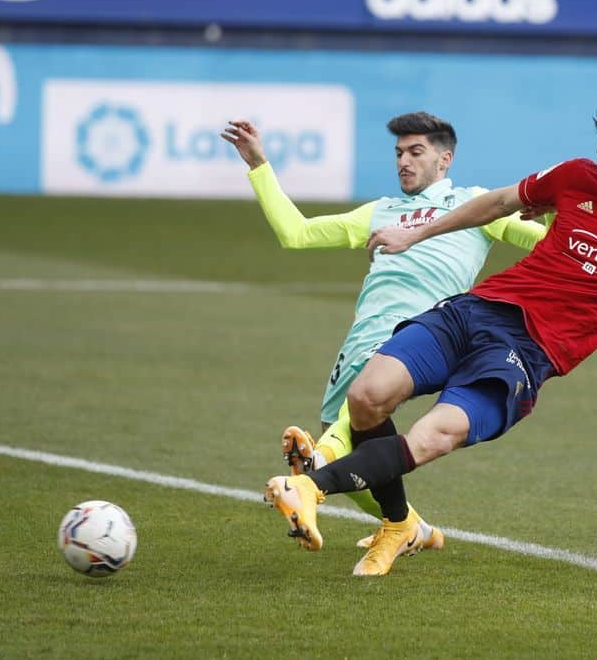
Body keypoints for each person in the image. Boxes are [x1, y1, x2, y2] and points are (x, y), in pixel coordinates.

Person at [263, 104, 597, 576]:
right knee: (367, 396)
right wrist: (416, 234)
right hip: (476, 312)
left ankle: (311, 487)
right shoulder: (574, 177)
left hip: (525, 353)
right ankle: (399, 523)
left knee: (434, 436)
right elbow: (500, 201)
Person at [221, 112, 547, 552]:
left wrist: (556, 208)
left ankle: (315, 465)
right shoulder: (380, 211)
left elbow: (545, 244)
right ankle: (411, 526)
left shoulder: (474, 205)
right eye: (398, 153)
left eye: (416, 152)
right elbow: (295, 233)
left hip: (422, 335)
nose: (404, 162)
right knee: (360, 445)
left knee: (353, 421)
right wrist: (259, 166)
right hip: (360, 340)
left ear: (444, 159)